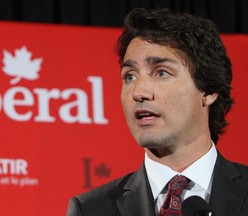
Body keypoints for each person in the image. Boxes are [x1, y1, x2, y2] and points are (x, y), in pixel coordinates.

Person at [66, 8, 248, 216]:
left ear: (208, 89)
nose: (138, 92)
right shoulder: (91, 210)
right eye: (130, 76)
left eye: (161, 73)